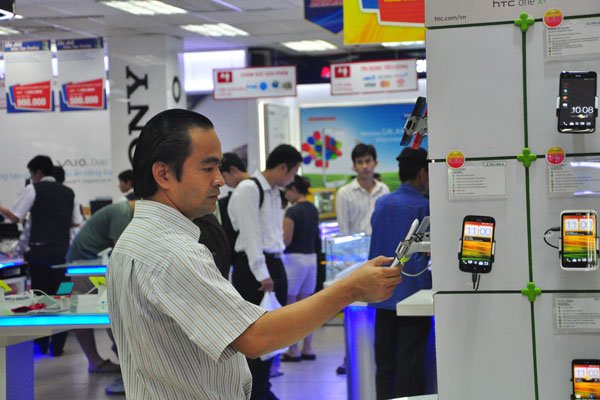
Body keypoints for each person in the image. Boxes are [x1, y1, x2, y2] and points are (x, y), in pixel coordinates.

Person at [106, 108, 403, 400]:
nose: (220, 179)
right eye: (207, 168)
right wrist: (351, 288)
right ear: (164, 174)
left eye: (219, 167)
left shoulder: (132, 241)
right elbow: (256, 337)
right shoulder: (173, 252)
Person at [228, 144, 301, 399]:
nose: (293, 178)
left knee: (275, 332)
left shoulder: (273, 192)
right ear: (283, 167)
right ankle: (254, 391)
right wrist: (262, 274)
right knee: (256, 334)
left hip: (273, 263)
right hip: (255, 270)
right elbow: (250, 236)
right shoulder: (249, 189)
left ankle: (263, 387)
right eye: (293, 172)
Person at [0, 155, 83, 356]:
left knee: (40, 297)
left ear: (37, 172)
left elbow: (14, 216)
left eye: (31, 173)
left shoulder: (33, 189)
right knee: (63, 297)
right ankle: (58, 346)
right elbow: (75, 222)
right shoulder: (69, 192)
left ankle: (42, 345)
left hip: (40, 253)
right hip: (64, 254)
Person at [369, 147, 433, 399]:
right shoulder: (423, 206)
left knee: (384, 365)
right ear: (421, 173)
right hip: (413, 298)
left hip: (382, 295)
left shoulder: (382, 203)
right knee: (410, 364)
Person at [66, 200, 135, 395]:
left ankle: (104, 361)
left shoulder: (124, 211)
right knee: (88, 310)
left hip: (87, 261)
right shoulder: (123, 213)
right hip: (83, 264)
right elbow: (121, 248)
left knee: (104, 309)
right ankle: (98, 361)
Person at [280, 175, 320, 362]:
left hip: (293, 259)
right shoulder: (313, 209)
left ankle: (293, 349)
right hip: (311, 258)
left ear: (294, 189)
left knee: (291, 304)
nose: (286, 194)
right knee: (308, 304)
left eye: (287, 190)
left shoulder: (292, 211)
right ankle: (308, 348)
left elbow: (286, 239)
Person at [335, 143, 390, 235]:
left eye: (368, 161)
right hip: (354, 248)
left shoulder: (384, 190)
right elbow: (343, 229)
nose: (364, 166)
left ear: (375, 163)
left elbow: (388, 223)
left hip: (379, 246)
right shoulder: (344, 193)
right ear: (354, 166)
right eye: (360, 162)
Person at [218, 152, 251, 255]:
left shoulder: (242, 193)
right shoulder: (258, 189)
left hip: (246, 255)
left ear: (233, 170)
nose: (223, 182)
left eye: (224, 176)